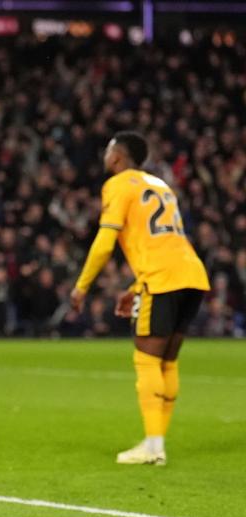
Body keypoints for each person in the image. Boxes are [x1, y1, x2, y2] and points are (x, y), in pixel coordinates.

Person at [71, 131, 210, 466]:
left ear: (117, 157)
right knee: (168, 362)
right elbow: (163, 243)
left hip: (161, 280)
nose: (105, 156)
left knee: (147, 361)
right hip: (192, 274)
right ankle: (155, 442)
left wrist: (81, 286)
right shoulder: (162, 185)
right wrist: (135, 287)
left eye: (107, 150)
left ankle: (153, 446)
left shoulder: (118, 184)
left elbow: (105, 242)